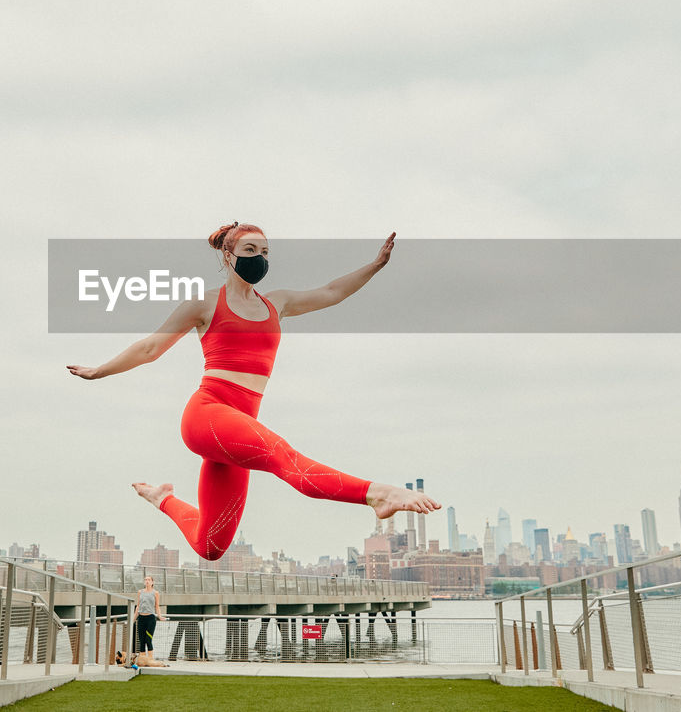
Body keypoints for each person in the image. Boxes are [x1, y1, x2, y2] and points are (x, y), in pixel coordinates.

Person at [68, 223, 440, 561]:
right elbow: (151, 348)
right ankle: (379, 494)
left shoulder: (276, 303)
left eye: (264, 252)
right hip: (208, 414)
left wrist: (374, 266)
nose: (259, 259)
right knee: (285, 459)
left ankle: (160, 497)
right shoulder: (204, 304)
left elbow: (331, 292)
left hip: (241, 428)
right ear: (227, 255)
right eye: (250, 251)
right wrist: (100, 370)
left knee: (211, 546)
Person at [134, 575, 165, 661]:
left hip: (150, 619)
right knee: (141, 640)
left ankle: (150, 659)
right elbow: (138, 606)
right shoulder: (140, 592)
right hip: (141, 618)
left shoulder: (155, 593)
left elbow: (157, 606)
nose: (147, 581)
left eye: (149, 580)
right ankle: (143, 660)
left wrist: (160, 616)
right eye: (146, 580)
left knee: (148, 639)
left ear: (152, 582)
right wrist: (133, 619)